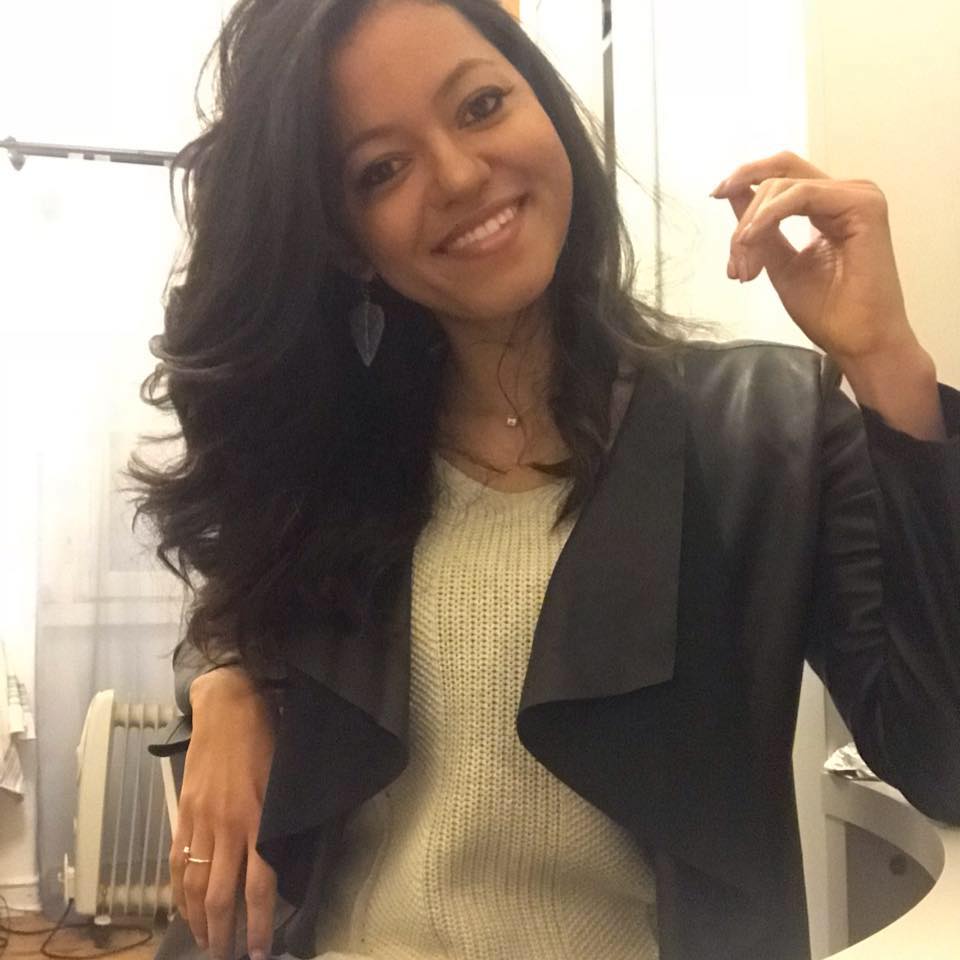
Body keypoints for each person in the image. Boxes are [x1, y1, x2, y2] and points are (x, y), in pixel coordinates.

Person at [130, 1, 960, 958]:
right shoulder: (330, 456)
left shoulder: (767, 431)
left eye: (481, 106)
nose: (457, 175)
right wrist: (227, 684)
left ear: (546, 106)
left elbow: (943, 760)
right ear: (348, 240)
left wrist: (888, 365)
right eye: (382, 169)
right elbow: (240, 581)